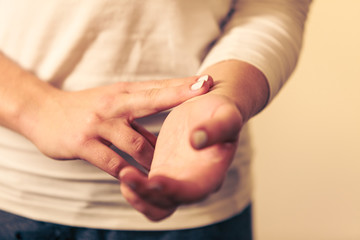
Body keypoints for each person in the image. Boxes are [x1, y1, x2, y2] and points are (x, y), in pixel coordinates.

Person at [0, 0, 312, 239]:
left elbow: (275, 5)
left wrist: (222, 94)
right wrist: (37, 108)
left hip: (200, 212)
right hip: (15, 202)